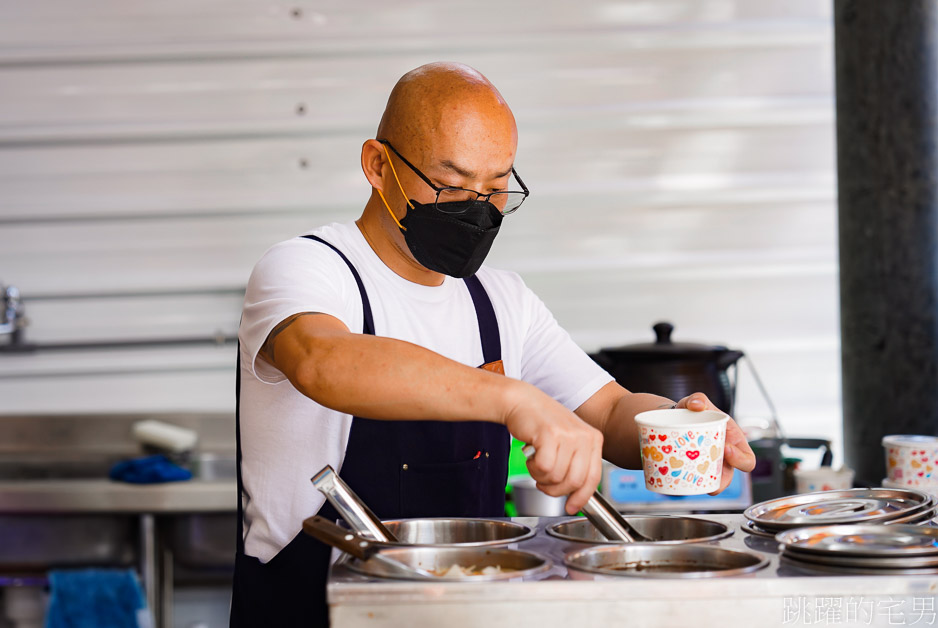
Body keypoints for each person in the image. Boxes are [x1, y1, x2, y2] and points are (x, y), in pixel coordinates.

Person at [230, 62, 756, 627]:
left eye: (498, 185)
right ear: (378, 166)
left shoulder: (501, 301)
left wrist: (681, 424)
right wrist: (513, 399)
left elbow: (607, 409)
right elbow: (324, 362)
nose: (478, 206)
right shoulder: (308, 268)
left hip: (467, 614)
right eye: (452, 184)